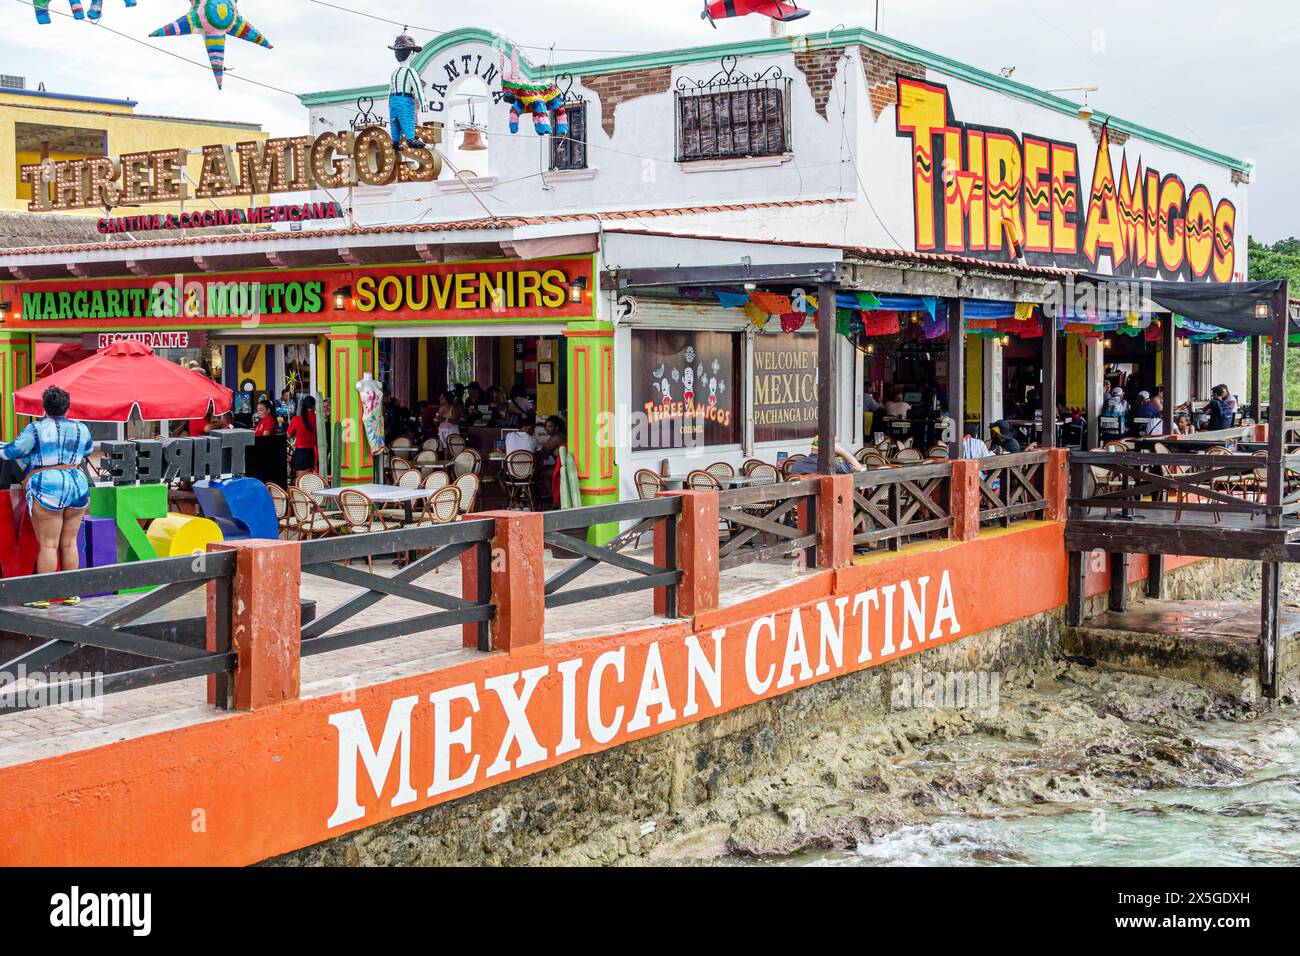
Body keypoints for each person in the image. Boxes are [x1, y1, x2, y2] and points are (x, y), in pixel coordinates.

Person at [0, 386, 94, 590]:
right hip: (77, 484)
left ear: (44, 408)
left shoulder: (36, 429)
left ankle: (43, 596)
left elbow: (11, 452)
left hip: (47, 486)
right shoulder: (81, 428)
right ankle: (71, 593)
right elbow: (88, 450)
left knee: (48, 545)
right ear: (67, 407)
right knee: (69, 543)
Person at [788, 435, 865, 475]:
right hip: (827, 503)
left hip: (802, 504)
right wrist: (841, 451)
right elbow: (858, 467)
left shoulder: (797, 465)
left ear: (812, 447)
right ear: (829, 449)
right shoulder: (832, 466)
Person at [538, 415, 567, 507]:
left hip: (562, 468)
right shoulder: (561, 436)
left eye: (550, 427)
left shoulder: (556, 438)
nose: (547, 429)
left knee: (542, 474)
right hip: (563, 465)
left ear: (557, 427)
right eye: (546, 427)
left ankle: (556, 500)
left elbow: (543, 452)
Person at [287, 396, 318, 478]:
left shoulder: (296, 419)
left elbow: (289, 435)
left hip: (302, 454)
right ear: (314, 406)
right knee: (314, 481)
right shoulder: (318, 419)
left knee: (301, 481)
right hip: (315, 453)